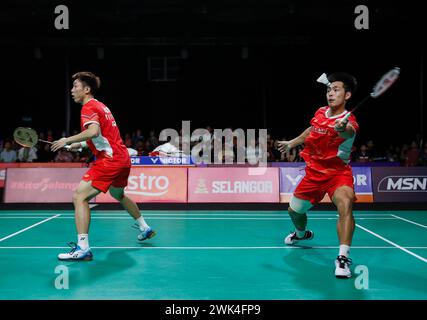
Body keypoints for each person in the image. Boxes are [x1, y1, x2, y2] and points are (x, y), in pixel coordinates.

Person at [51, 71, 155, 261]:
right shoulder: (101, 106)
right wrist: (76, 144)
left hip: (110, 160)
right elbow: (100, 136)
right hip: (122, 157)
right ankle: (144, 227)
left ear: (87, 89)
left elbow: (93, 131)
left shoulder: (88, 107)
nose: (72, 90)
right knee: (118, 194)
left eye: (76, 86)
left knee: (79, 197)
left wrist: (67, 139)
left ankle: (83, 248)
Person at [277, 72, 359, 278]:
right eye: (329, 90)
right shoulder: (321, 112)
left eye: (336, 90)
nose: (330, 94)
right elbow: (311, 130)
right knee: (294, 211)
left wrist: (342, 128)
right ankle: (302, 234)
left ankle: (342, 258)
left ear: (347, 95)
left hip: (338, 173)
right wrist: (292, 143)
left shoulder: (349, 122)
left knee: (345, 203)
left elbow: (348, 131)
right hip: (313, 174)